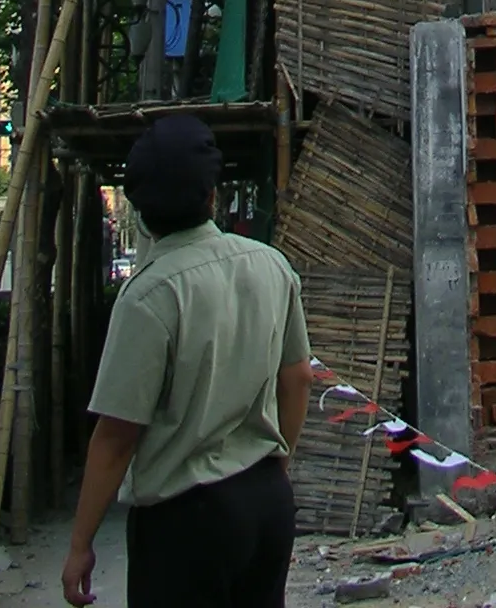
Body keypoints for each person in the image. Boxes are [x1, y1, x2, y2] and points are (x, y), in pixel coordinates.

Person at [61, 114, 313, 608]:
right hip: (266, 504)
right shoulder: (269, 265)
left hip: (186, 521)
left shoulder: (149, 295)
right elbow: (299, 377)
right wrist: (278, 463)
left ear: (140, 210)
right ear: (211, 194)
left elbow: (116, 435)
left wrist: (79, 545)